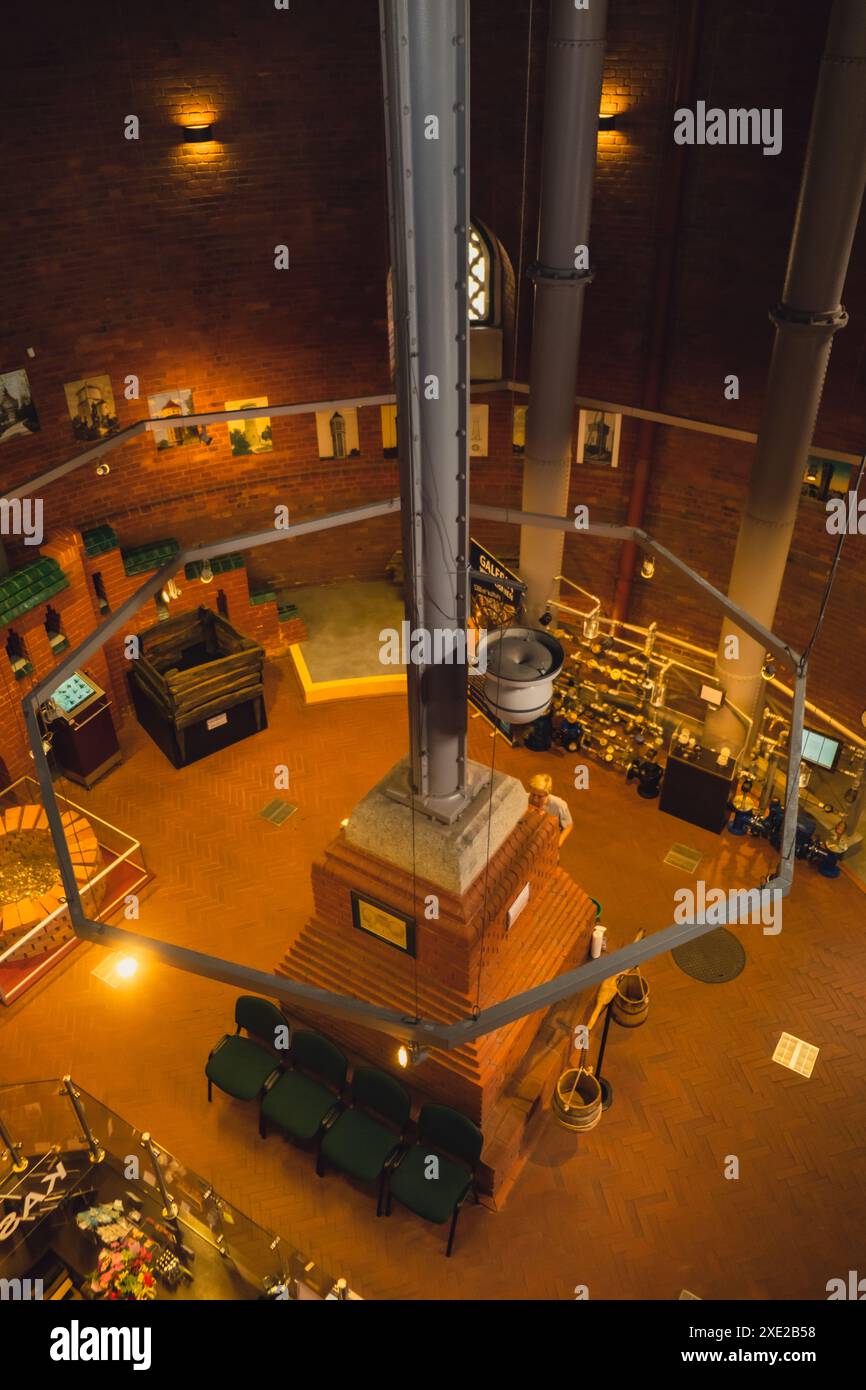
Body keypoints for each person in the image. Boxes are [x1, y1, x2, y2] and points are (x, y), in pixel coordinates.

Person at [528, 772, 573, 845]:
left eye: (540, 797)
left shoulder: (559, 805)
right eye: (533, 794)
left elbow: (568, 825)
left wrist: (558, 843)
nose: (535, 799)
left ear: (547, 794)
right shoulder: (523, 799)